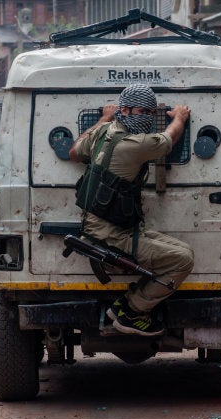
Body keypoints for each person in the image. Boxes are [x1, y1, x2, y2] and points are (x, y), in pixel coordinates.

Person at [68, 83, 194, 337]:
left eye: (150, 113)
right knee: (183, 260)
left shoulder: (103, 131)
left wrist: (103, 118)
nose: (147, 118)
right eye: (142, 112)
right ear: (124, 110)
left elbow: (74, 150)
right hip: (112, 236)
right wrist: (179, 117)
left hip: (114, 228)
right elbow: (168, 140)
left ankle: (124, 307)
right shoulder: (134, 145)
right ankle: (133, 311)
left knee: (184, 251)